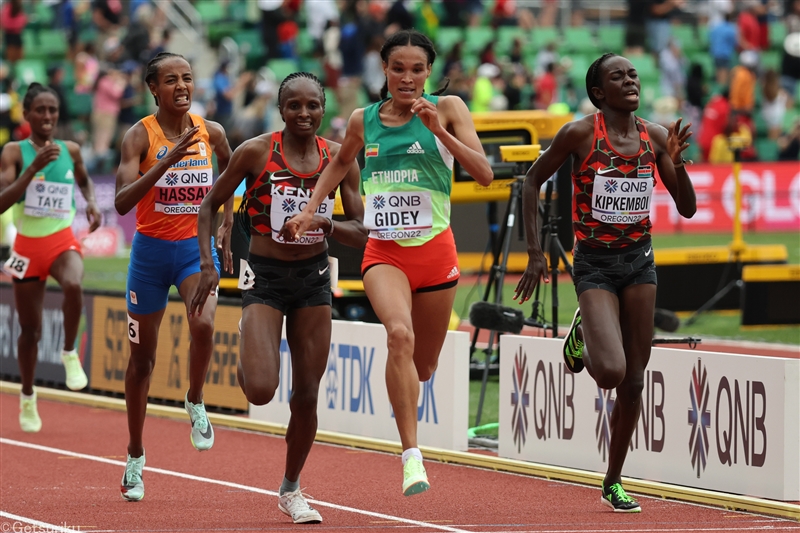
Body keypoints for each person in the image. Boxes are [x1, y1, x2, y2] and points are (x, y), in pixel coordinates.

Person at [281, 30, 493, 497]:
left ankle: (408, 397)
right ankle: (411, 457)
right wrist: (312, 207)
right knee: (398, 334)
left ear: (429, 73)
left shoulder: (451, 108)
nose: (408, 78)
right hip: (385, 254)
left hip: (437, 255)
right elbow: (338, 165)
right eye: (399, 68)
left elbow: (483, 174)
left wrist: (438, 130)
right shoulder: (363, 120)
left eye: (417, 70)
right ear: (385, 70)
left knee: (423, 367)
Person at [513, 53, 696, 512]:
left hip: (639, 263)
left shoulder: (654, 137)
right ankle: (585, 332)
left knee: (634, 380)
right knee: (611, 372)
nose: (630, 80)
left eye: (633, 74)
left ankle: (613, 480)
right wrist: (535, 253)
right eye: (618, 76)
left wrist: (677, 162)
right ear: (599, 92)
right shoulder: (579, 134)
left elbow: (687, 207)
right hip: (594, 263)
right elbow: (531, 181)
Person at [189, 72, 367, 524]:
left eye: (312, 106)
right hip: (264, 278)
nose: (303, 114)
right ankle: (250, 333)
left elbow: (362, 233)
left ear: (324, 109)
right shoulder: (255, 152)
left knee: (306, 394)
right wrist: (208, 263)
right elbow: (209, 205)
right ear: (281, 109)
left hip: (313, 278)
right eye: (294, 106)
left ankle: (292, 488)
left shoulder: (339, 158)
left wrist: (322, 225)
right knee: (262, 390)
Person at [114, 52, 234, 502]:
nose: (182, 86)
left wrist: (225, 221)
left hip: (192, 250)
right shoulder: (137, 136)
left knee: (203, 323)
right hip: (148, 254)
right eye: (171, 80)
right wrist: (166, 161)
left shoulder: (212, 132)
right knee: (141, 363)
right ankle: (135, 455)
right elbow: (123, 203)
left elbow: (231, 172)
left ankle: (195, 398)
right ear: (153, 88)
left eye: (187, 77)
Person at [0, 83, 101, 432]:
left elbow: (85, 182)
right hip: (27, 249)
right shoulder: (14, 152)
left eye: (52, 110)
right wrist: (32, 169)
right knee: (30, 331)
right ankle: (28, 396)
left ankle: (70, 352)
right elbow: (2, 201)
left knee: (74, 284)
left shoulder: (71, 149)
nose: (47, 116)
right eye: (40, 110)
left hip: (61, 240)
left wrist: (89, 202)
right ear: (27, 115)